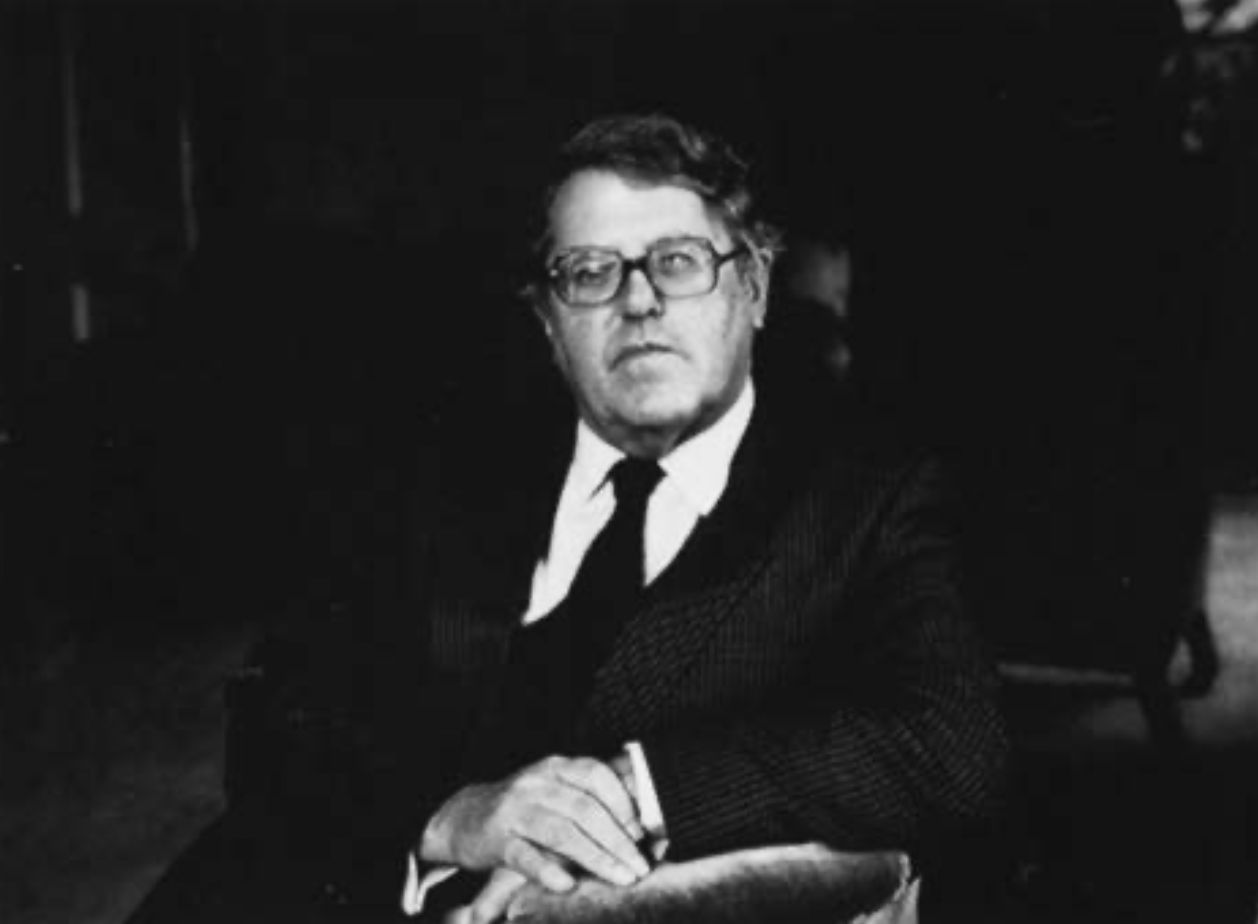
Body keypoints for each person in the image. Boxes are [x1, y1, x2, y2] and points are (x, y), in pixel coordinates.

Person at [130, 112, 1006, 924]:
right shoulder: (444, 479)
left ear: (756, 288)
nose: (639, 301)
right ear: (549, 321)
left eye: (677, 262)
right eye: (590, 272)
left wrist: (636, 792)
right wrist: (448, 817)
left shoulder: (864, 502)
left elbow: (952, 745)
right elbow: (278, 716)